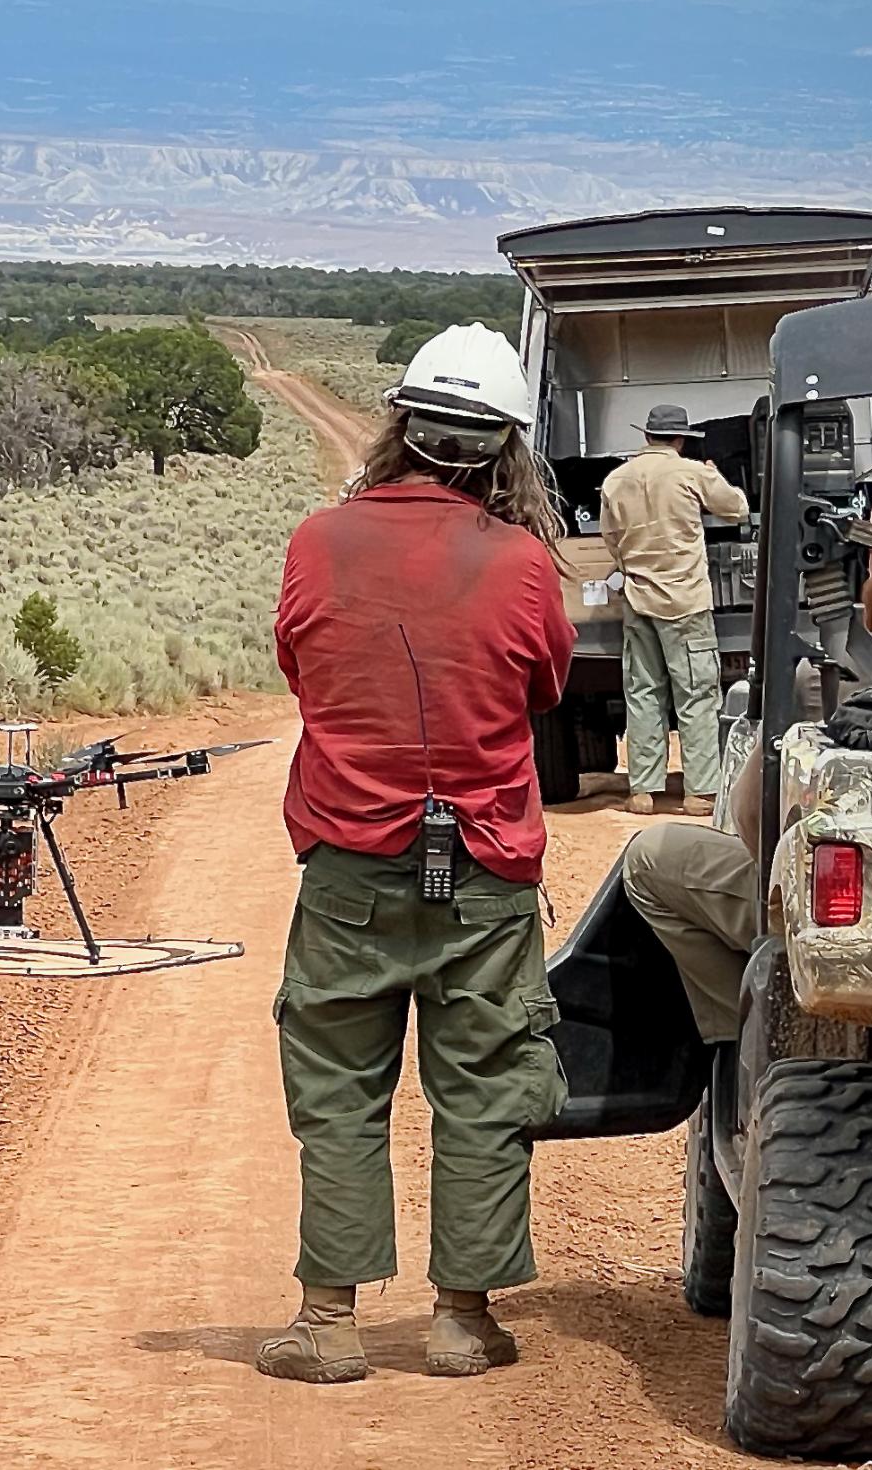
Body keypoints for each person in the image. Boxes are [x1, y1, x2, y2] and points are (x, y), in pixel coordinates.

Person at [261, 324, 575, 1385]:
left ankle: (326, 1321)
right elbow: (541, 693)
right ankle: (458, 1319)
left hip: (348, 860)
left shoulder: (317, 538)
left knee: (339, 1088)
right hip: (481, 868)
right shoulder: (525, 564)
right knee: (483, 1083)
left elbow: (301, 673)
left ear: (399, 424)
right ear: (501, 449)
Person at [622, 473, 872, 1048]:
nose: (864, 576)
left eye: (869, 560)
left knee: (652, 858)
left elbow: (752, 820)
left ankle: (766, 1044)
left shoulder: (836, 680)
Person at [601, 405, 750, 817]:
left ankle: (643, 790)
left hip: (637, 599)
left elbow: (611, 540)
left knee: (644, 693)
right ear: (680, 439)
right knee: (697, 694)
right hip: (685, 601)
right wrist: (714, 473)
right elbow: (736, 508)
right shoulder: (691, 473)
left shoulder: (617, 480)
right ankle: (699, 791)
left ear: (647, 436)